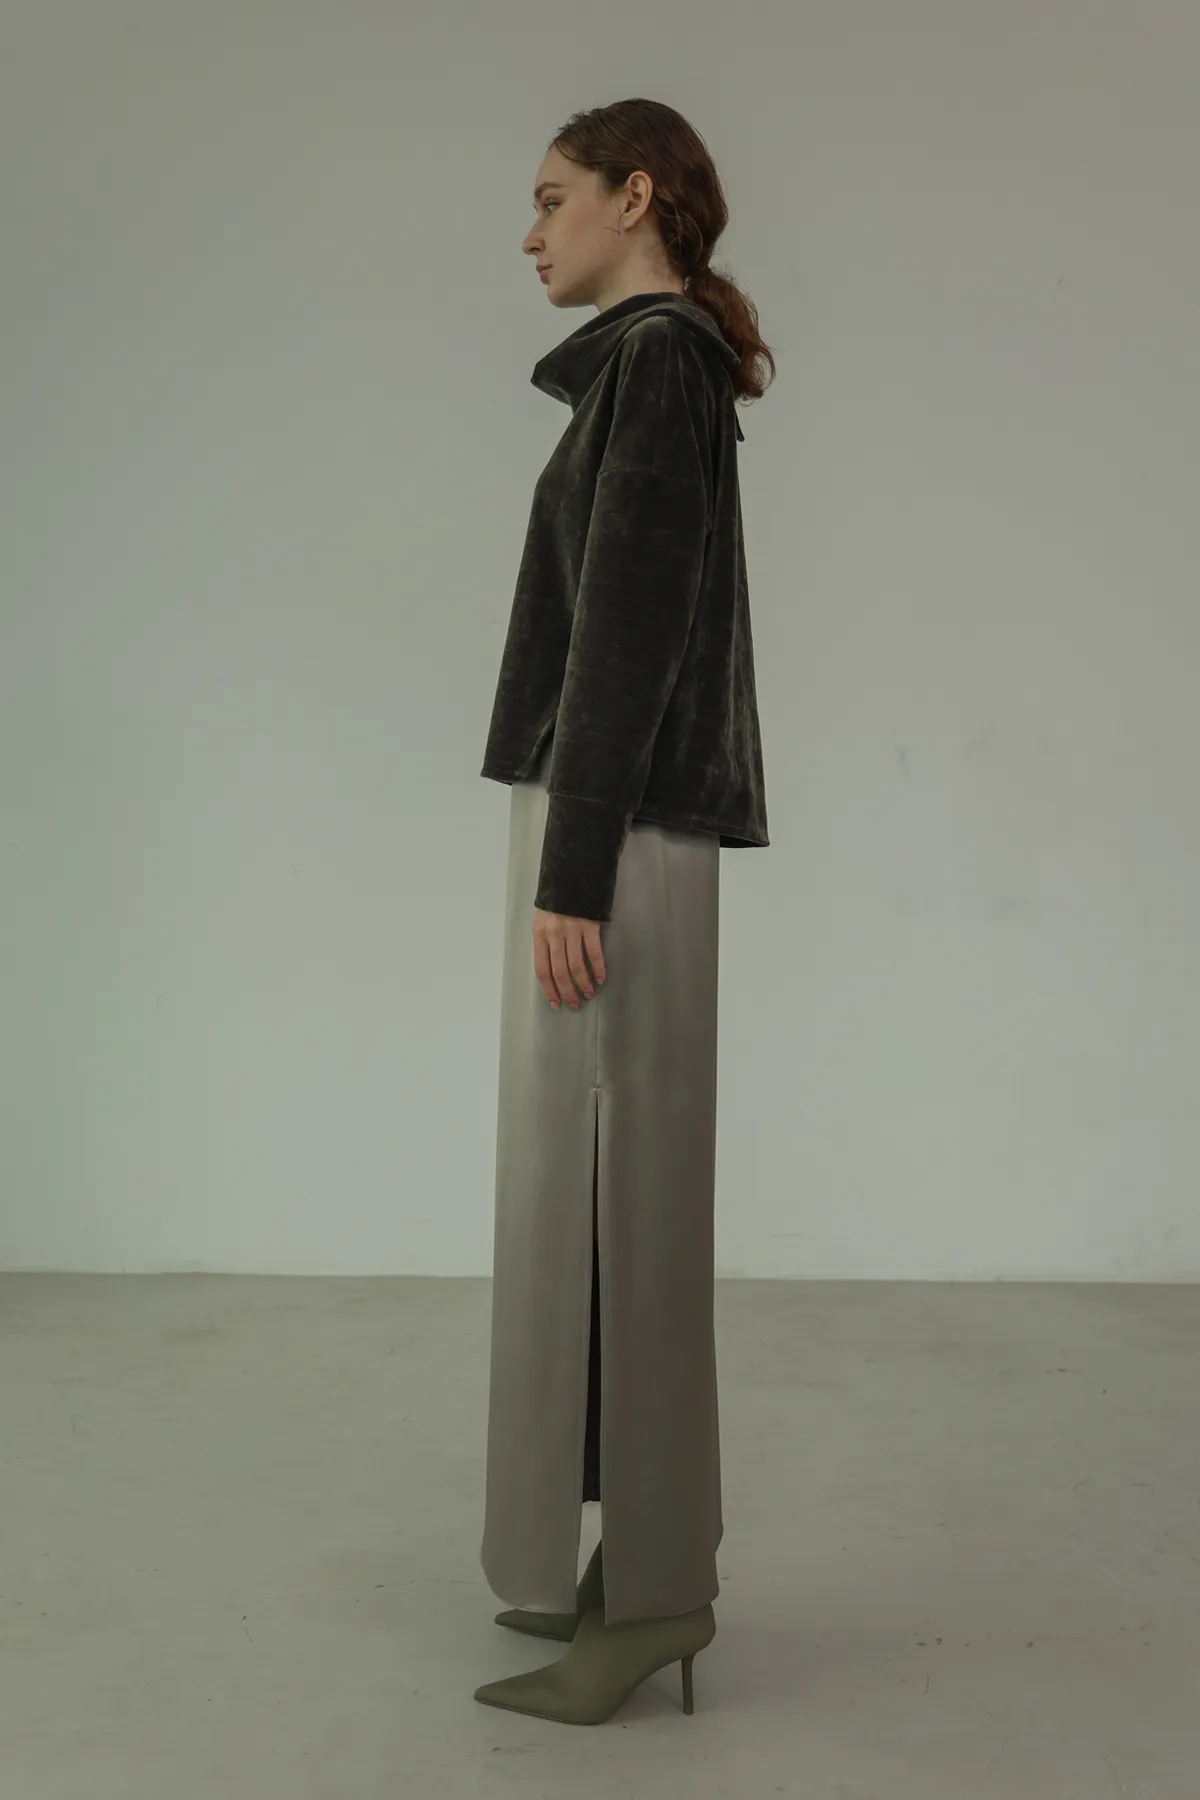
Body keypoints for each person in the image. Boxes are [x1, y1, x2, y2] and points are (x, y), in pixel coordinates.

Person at [474, 96, 773, 1726]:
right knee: (587, 1203)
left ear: (634, 194)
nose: (531, 234)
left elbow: (631, 633)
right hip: (613, 824)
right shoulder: (653, 370)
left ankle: (656, 1592)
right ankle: (629, 1561)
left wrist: (572, 868)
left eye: (552, 198)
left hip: (622, 836)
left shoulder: (657, 366)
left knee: (627, 1211)